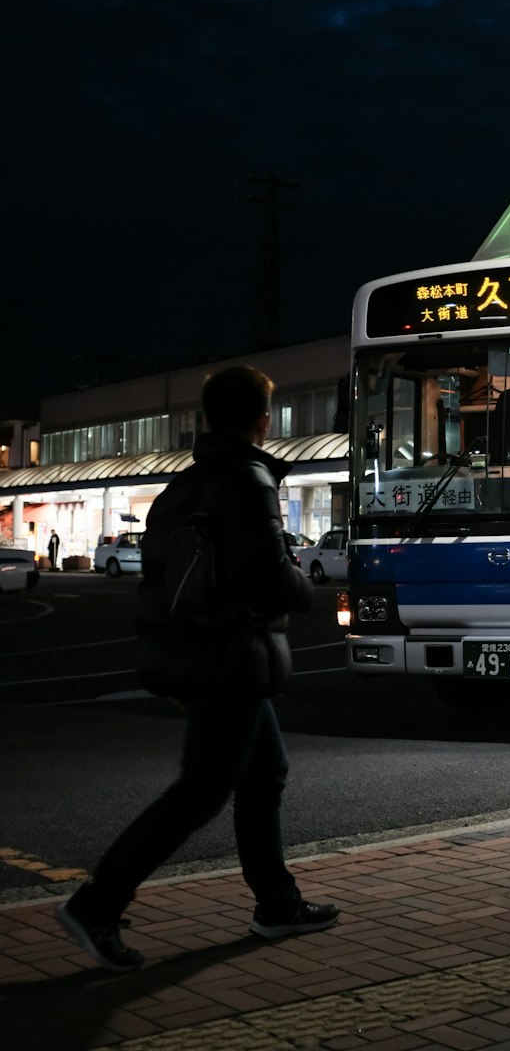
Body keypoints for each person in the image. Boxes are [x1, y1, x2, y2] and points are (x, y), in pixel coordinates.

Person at [57, 364, 339, 972]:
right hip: (234, 656)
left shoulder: (183, 486)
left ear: (206, 418)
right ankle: (98, 904)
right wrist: (304, 589)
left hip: (202, 651)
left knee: (265, 774)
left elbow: (158, 577)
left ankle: (277, 903)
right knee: (202, 789)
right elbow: (270, 574)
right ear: (263, 419)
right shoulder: (248, 478)